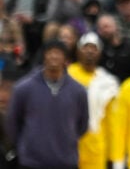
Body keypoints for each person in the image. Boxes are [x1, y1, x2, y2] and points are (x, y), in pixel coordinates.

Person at [6, 40, 89, 169]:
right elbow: (13, 123)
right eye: (50, 53)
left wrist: (66, 136)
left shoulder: (78, 91)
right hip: (32, 162)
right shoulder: (23, 88)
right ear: (44, 56)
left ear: (65, 59)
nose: (54, 56)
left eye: (58, 53)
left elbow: (82, 125)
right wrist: (27, 145)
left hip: (66, 162)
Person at [68, 32, 120, 169]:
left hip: (96, 145)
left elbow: (112, 122)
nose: (90, 51)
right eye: (86, 47)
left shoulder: (108, 82)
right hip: (69, 141)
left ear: (100, 53)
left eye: (94, 48)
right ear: (78, 51)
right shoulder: (66, 75)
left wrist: (114, 156)